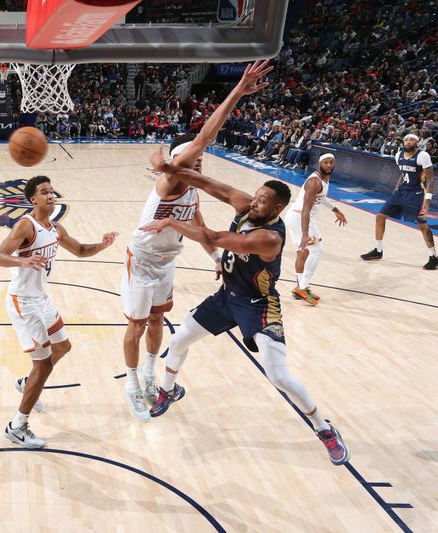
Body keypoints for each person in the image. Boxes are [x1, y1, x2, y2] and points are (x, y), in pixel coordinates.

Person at [142, 60, 350, 466]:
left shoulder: (268, 236)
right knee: (180, 340)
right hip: (227, 295)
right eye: (253, 197)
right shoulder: (249, 206)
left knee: (279, 376)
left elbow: (215, 238)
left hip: (258, 304)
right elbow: (211, 184)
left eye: (261, 201)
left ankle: (325, 429)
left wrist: (171, 220)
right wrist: (170, 167)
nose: (252, 202)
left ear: (277, 208)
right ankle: (168, 389)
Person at [0, 176, 117, 448]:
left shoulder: (56, 227)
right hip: (23, 302)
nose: (50, 195)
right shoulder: (26, 225)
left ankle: (27, 383)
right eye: (44, 192)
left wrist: (102, 244)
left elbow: (81, 250)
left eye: (52, 191)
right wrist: (21, 261)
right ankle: (17, 426)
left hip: (41, 299)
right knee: (44, 363)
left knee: (63, 346)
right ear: (32, 200)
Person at [121, 135, 221, 421]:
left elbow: (200, 227)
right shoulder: (168, 184)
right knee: (136, 326)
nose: (198, 161)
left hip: (167, 263)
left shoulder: (194, 193)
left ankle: (149, 372)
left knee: (157, 320)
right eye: (193, 157)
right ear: (179, 161)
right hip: (141, 261)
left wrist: (215, 258)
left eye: (201, 158)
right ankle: (131, 384)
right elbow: (199, 143)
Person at [360, 133, 437, 270]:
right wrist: (396, 189)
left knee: (422, 225)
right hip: (401, 192)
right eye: (406, 139)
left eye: (411, 140)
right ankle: (378, 251)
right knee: (380, 216)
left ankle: (433, 257)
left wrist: (426, 202)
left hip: (416, 193)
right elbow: (402, 175)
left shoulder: (422, 156)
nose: (408, 141)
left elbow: (430, 179)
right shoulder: (398, 155)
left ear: (417, 143)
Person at [284, 153, 347, 304]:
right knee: (317, 250)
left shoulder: (324, 179)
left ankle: (300, 288)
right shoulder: (314, 181)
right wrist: (305, 234)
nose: (329, 165)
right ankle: (303, 287)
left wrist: (335, 210)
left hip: (296, 217)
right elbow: (306, 209)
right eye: (326, 162)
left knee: (303, 252)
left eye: (331, 162)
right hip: (301, 216)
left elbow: (321, 197)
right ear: (319, 164)